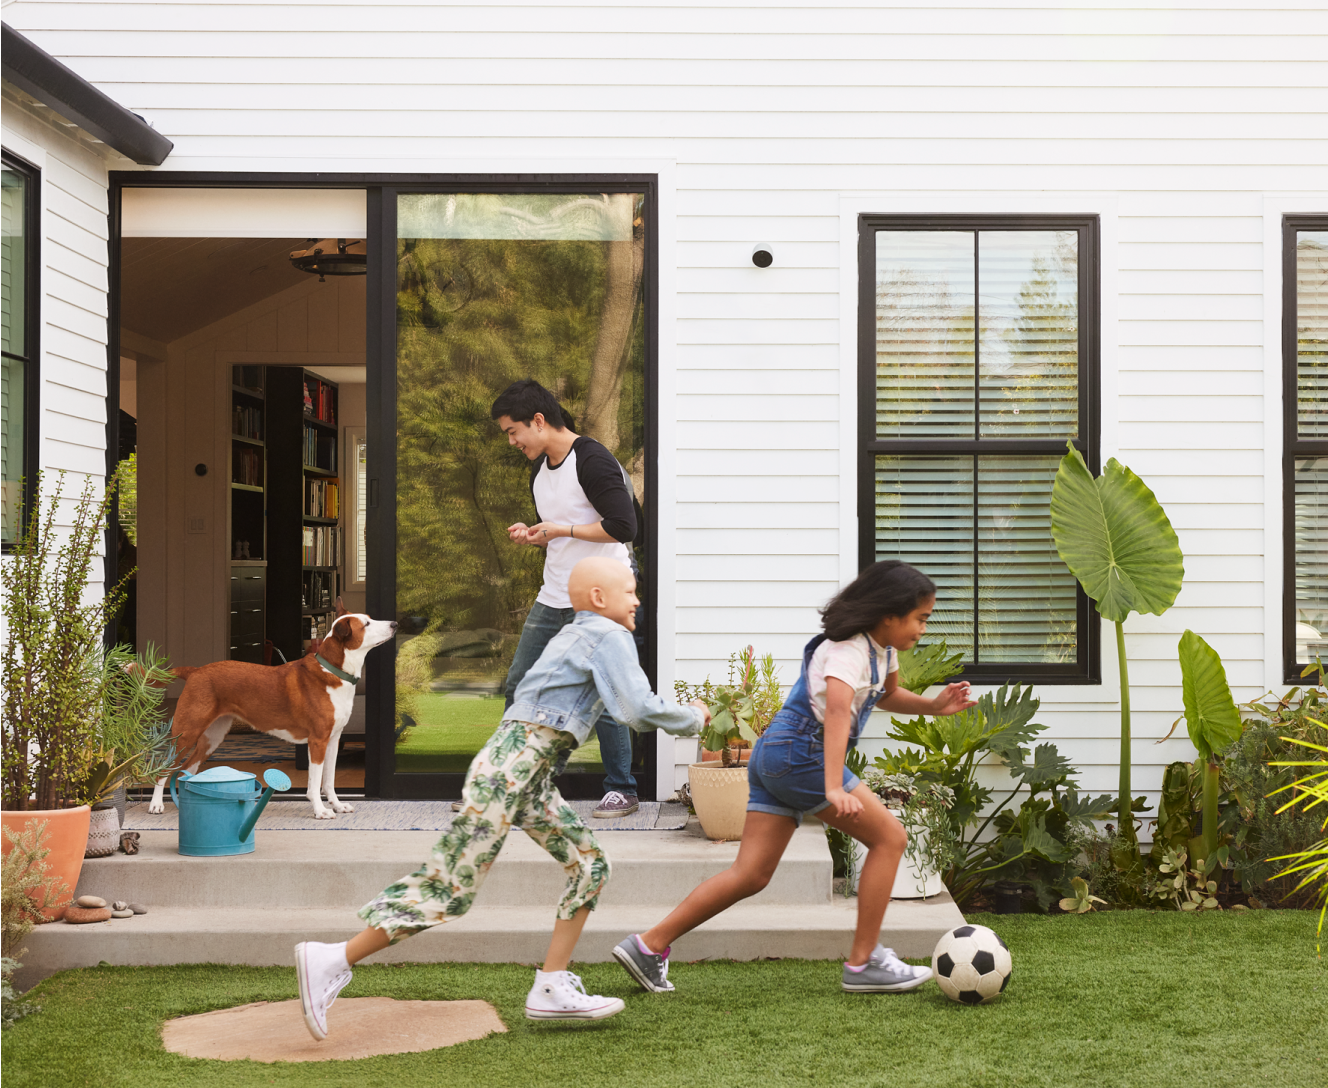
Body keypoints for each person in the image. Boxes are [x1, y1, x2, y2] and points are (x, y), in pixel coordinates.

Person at [295, 558, 709, 1037]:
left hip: (521, 771)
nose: (637, 599)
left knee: (590, 863)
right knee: (449, 890)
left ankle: (551, 985)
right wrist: (694, 717)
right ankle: (332, 959)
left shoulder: (574, 635)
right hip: (510, 772)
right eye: (631, 590)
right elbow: (636, 709)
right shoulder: (607, 635)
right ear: (598, 598)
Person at [612, 560, 976, 996]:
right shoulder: (848, 650)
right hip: (802, 752)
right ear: (889, 613)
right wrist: (833, 786)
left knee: (751, 873)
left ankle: (648, 946)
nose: (923, 628)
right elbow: (839, 710)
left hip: (776, 753)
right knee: (891, 839)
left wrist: (935, 706)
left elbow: (890, 695)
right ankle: (863, 964)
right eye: (920, 618)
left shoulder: (883, 651)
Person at [491, 378, 646, 819]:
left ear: (538, 421)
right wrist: (537, 535)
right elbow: (563, 531)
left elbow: (624, 526)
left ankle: (622, 789)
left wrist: (560, 530)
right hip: (555, 591)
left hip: (603, 592)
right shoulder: (540, 470)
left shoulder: (592, 460)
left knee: (607, 689)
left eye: (512, 430)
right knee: (521, 684)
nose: (512, 440)